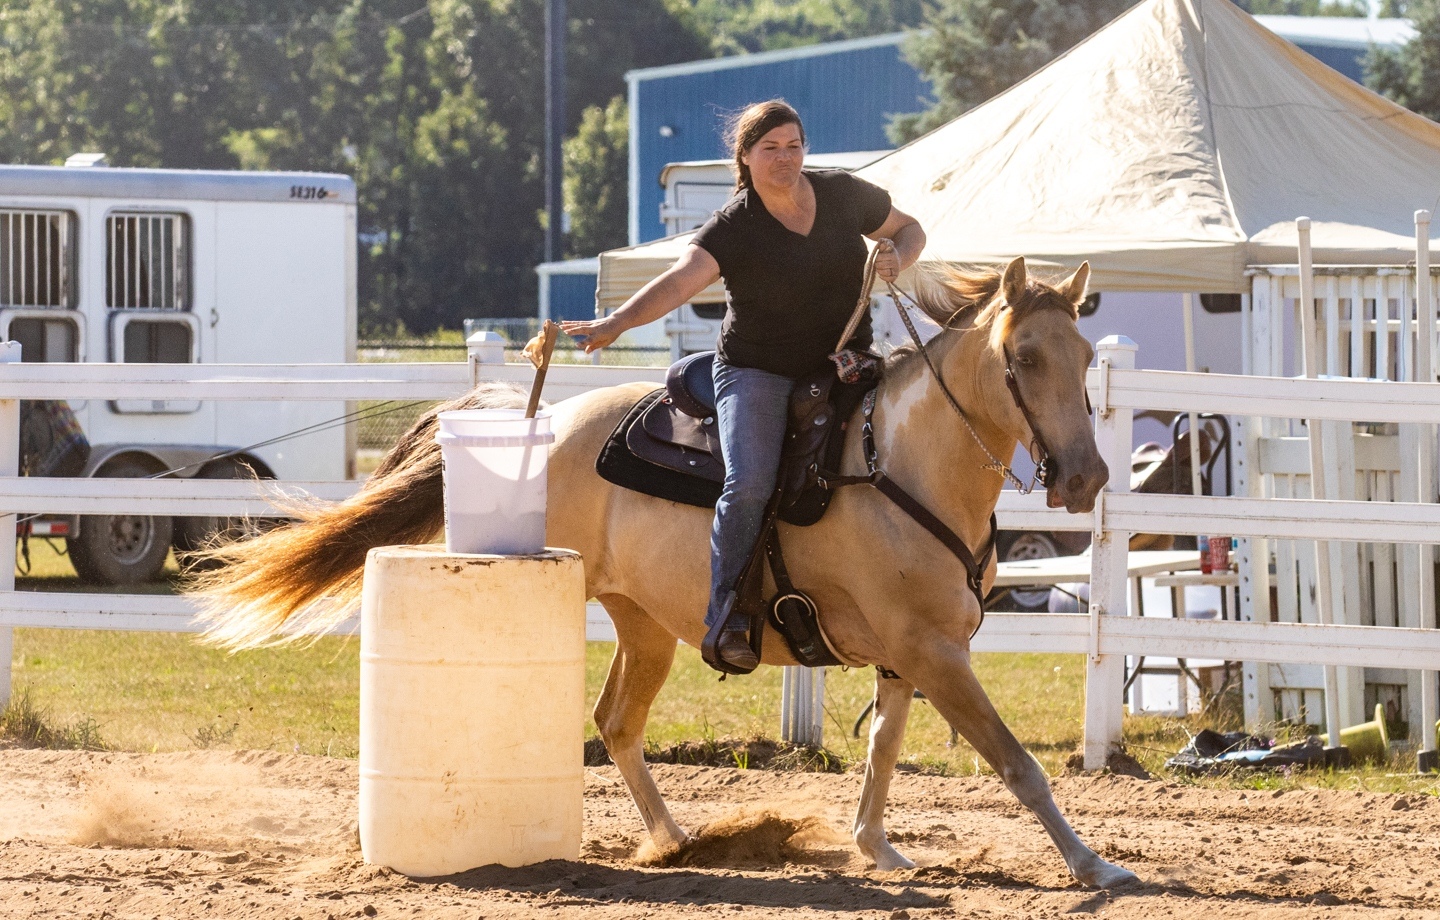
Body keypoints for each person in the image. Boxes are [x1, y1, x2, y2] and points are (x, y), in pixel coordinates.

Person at [562, 99, 925, 671]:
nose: (785, 158)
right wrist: (617, 323)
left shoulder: (842, 193)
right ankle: (727, 611)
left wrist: (898, 256)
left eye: (794, 146)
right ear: (746, 157)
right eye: (770, 148)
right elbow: (679, 281)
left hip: (843, 361)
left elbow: (909, 228)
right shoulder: (735, 225)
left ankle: (914, 603)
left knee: (905, 450)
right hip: (757, 371)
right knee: (751, 481)